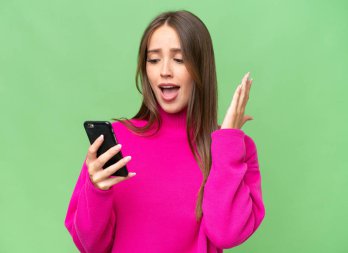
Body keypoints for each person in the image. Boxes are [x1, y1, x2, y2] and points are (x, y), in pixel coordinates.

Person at [64, 10, 265, 253]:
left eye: (179, 60)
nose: (165, 71)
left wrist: (228, 141)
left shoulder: (231, 149)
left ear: (201, 68)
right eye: (154, 59)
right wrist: (97, 191)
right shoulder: (115, 143)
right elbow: (90, 246)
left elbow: (226, 234)